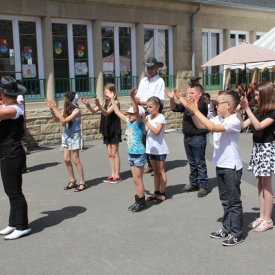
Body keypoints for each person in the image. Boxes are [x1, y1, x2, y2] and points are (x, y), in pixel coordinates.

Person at [187, 89, 244, 246]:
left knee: (234, 202)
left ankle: (237, 233)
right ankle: (226, 228)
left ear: (228, 105)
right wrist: (192, 112)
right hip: (221, 164)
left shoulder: (234, 120)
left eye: (218, 103)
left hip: (231, 167)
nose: (214, 105)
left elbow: (212, 128)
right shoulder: (218, 117)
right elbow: (201, 124)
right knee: (225, 200)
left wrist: (196, 110)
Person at [239, 82, 275, 232]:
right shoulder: (259, 109)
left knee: (266, 184)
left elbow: (259, 126)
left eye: (259, 94)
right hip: (258, 148)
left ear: (266, 94)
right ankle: (261, 216)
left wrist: (248, 109)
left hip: (267, 148)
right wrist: (239, 111)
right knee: (259, 182)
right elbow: (242, 125)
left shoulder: (273, 111)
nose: (255, 95)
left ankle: (268, 219)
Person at [0, 76, 31, 240]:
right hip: (7, 154)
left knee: (15, 192)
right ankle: (13, 223)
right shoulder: (8, 106)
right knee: (9, 190)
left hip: (12, 154)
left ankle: (22, 226)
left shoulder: (15, 109)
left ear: (5, 94)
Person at [106, 88, 147, 212]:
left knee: (139, 179)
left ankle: (142, 202)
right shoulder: (128, 122)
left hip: (139, 153)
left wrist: (132, 98)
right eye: (128, 114)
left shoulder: (139, 124)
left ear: (139, 115)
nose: (129, 115)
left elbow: (136, 109)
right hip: (131, 154)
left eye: (132, 114)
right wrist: (112, 99)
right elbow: (118, 112)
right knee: (135, 180)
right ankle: (137, 200)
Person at [165, 84, 209, 197]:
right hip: (187, 137)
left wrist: (180, 97)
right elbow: (174, 108)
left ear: (199, 94)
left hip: (198, 137)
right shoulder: (188, 103)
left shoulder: (202, 103)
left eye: (192, 93)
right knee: (192, 162)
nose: (189, 95)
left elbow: (191, 108)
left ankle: (203, 185)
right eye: (188, 93)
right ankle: (194, 183)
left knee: (200, 162)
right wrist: (172, 98)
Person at [45, 91, 86, 192]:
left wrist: (55, 108)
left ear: (71, 100)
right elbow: (57, 120)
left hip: (75, 135)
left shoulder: (76, 110)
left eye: (65, 99)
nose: (64, 100)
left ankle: (82, 182)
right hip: (67, 135)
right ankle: (73, 180)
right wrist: (51, 109)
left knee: (76, 160)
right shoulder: (66, 109)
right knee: (66, 159)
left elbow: (64, 120)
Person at [81, 83, 121, 184]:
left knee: (115, 153)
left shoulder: (116, 102)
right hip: (106, 129)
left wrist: (99, 105)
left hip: (114, 129)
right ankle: (112, 174)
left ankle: (117, 175)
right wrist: (88, 104)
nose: (105, 94)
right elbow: (94, 111)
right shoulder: (104, 102)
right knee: (110, 154)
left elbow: (107, 112)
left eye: (107, 92)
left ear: (113, 93)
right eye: (105, 92)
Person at [135, 57, 165, 174]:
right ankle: (151, 164)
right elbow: (138, 96)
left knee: (154, 138)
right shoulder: (143, 80)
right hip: (143, 111)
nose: (150, 70)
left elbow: (159, 100)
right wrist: (138, 101)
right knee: (144, 139)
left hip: (154, 112)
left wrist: (142, 102)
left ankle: (157, 164)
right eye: (148, 67)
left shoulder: (159, 81)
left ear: (157, 68)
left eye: (152, 67)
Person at [144, 96, 169, 202]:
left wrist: (146, 123)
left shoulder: (161, 117)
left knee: (161, 170)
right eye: (147, 107)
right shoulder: (148, 117)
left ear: (157, 107)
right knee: (155, 171)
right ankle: (156, 192)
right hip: (150, 148)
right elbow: (146, 132)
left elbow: (157, 131)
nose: (148, 109)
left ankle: (162, 193)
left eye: (150, 107)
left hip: (160, 148)